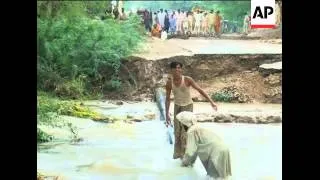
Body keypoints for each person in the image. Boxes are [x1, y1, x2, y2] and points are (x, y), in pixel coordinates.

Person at [165, 61, 218, 159]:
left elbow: (200, 90)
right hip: (177, 107)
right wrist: (167, 114)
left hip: (188, 107)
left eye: (179, 68)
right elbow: (167, 99)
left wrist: (211, 102)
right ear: (171, 70)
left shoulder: (187, 80)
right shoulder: (169, 83)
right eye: (175, 68)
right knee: (177, 131)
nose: (178, 70)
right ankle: (178, 155)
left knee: (187, 132)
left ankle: (188, 154)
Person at [176, 111, 232, 180]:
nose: (181, 126)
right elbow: (194, 151)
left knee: (213, 177)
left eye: (181, 124)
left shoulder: (191, 131)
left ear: (184, 123)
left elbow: (190, 152)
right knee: (222, 178)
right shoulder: (198, 127)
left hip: (215, 153)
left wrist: (184, 163)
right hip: (224, 149)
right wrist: (190, 161)